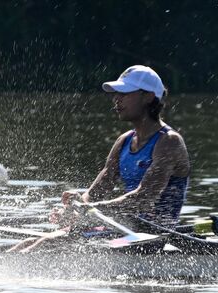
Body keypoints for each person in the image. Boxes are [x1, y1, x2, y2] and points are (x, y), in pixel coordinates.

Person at [11, 65, 190, 252]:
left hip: (153, 235)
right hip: (124, 228)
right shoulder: (124, 141)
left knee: (47, 245)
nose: (116, 99)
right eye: (116, 93)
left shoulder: (169, 142)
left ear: (148, 97)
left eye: (124, 93)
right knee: (31, 243)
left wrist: (90, 210)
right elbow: (97, 191)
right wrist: (75, 209)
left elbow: (144, 198)